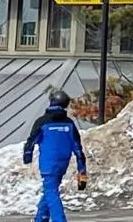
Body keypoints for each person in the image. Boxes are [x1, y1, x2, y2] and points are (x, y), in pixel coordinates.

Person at [23, 90, 88, 222]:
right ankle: (40, 218)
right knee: (50, 189)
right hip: (63, 162)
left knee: (51, 192)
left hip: (48, 163)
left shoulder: (42, 122)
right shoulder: (69, 123)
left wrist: (27, 156)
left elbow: (31, 141)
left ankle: (59, 219)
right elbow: (78, 149)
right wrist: (82, 171)